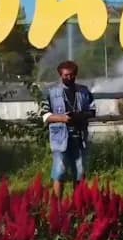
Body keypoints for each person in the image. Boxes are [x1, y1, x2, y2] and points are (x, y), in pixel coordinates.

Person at [39, 60, 96, 197]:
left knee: (80, 172)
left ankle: (78, 202)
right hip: (60, 137)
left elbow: (92, 110)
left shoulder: (84, 91)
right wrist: (62, 118)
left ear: (75, 74)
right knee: (60, 171)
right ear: (61, 75)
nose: (69, 78)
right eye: (66, 75)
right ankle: (57, 204)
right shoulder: (51, 92)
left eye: (71, 75)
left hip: (80, 136)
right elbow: (44, 115)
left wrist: (78, 116)